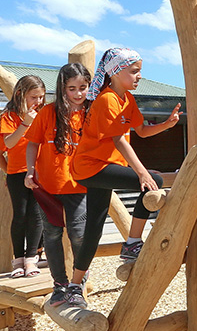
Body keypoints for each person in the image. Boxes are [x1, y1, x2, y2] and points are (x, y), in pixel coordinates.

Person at [68, 48, 180, 308]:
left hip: (101, 168)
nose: (139, 76)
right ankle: (132, 243)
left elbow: (140, 131)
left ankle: (73, 285)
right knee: (155, 181)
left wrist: (167, 124)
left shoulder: (127, 99)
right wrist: (142, 172)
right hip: (90, 167)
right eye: (134, 71)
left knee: (93, 228)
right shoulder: (107, 100)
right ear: (116, 72)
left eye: (140, 70)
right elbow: (118, 139)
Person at [24, 63, 90, 306]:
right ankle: (60, 284)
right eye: (71, 88)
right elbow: (32, 143)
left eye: (82, 88)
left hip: (80, 187)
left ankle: (77, 282)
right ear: (62, 88)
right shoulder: (48, 112)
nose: (77, 94)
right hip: (48, 187)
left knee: (79, 235)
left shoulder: (92, 113)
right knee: (51, 235)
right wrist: (30, 171)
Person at [1, 75, 46, 278]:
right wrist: (26, 123)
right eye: (34, 97)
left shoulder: (43, 114)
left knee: (36, 215)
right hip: (16, 173)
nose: (38, 102)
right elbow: (8, 144)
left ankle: (31, 259)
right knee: (20, 215)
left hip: (39, 172)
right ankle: (18, 259)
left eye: (41, 97)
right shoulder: (9, 117)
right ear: (20, 94)